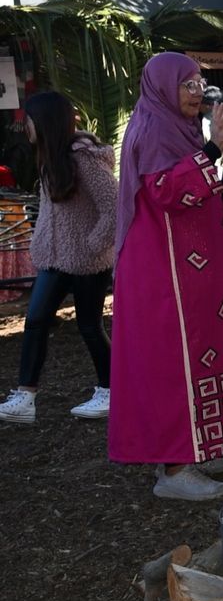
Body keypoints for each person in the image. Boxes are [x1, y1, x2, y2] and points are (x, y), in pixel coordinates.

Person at [109, 53, 223, 499]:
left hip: (187, 270)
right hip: (163, 276)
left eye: (199, 82)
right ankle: (175, 469)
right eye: (187, 84)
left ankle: (200, 442)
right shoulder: (155, 129)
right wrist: (215, 150)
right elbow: (169, 192)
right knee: (171, 363)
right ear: (163, 87)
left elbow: (193, 188)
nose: (197, 91)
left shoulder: (174, 128)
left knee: (198, 353)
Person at [0, 93, 117, 425]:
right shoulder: (47, 158)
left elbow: (114, 206)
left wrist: (92, 245)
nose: (25, 127)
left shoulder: (84, 159)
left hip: (87, 261)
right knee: (35, 320)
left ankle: (110, 389)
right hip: (53, 258)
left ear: (45, 122)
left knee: (90, 326)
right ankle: (26, 395)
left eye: (30, 120)